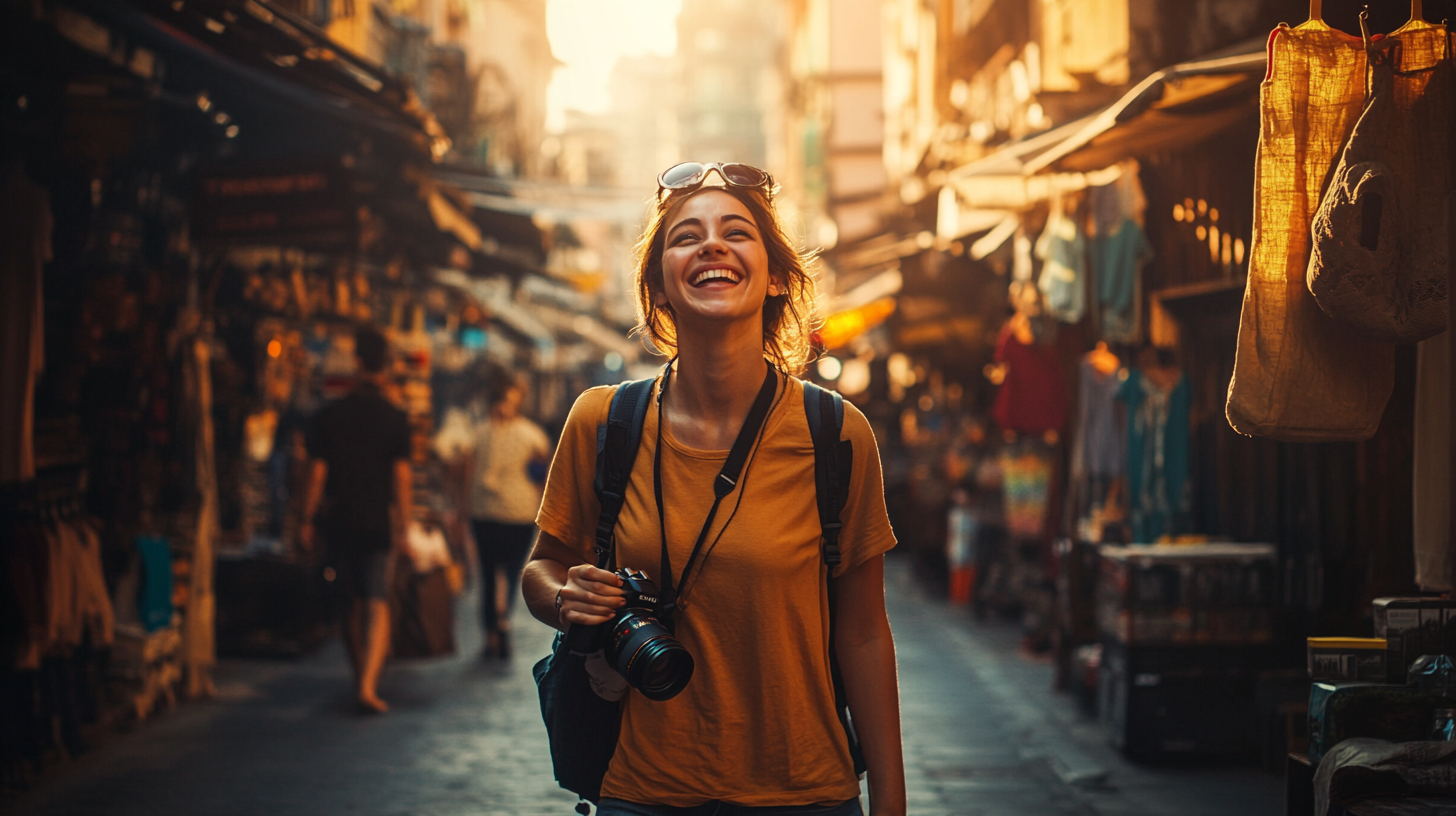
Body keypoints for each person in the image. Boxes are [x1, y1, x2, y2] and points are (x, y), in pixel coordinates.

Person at [522, 162, 906, 815]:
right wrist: (566, 598)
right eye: (685, 236)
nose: (711, 244)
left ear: (777, 275)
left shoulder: (836, 434)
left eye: (737, 231)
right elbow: (540, 568)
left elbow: (865, 633)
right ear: (661, 287)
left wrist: (891, 806)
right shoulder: (603, 422)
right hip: (643, 790)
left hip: (805, 790)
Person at [300, 325, 412, 714]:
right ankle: (368, 683)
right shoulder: (396, 418)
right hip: (377, 520)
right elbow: (402, 478)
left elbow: (316, 473)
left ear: (358, 362)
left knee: (351, 603)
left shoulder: (329, 415)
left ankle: (359, 675)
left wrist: (306, 519)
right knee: (377, 601)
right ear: (385, 364)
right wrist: (406, 523)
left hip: (339, 519)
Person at [465, 372, 550, 659]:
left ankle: (491, 632)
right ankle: (502, 616)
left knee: (488, 574)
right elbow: (541, 475)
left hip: (484, 512)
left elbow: (465, 470)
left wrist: (463, 503)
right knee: (511, 572)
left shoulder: (478, 432)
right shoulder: (533, 435)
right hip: (519, 513)